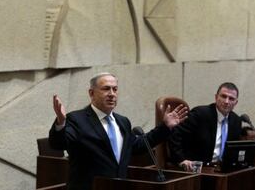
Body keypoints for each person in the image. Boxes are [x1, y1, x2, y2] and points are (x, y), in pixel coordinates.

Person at [49, 72, 188, 190]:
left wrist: (165, 127)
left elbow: (137, 146)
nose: (112, 94)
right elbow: (58, 144)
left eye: (115, 89)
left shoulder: (122, 121)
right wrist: (61, 122)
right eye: (106, 89)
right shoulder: (77, 119)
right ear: (91, 93)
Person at [168, 82, 243, 172]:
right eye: (223, 96)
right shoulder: (200, 114)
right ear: (216, 97)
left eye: (231, 98)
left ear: (236, 102)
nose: (226, 101)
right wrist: (181, 159)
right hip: (198, 169)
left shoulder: (236, 121)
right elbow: (175, 133)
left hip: (223, 170)